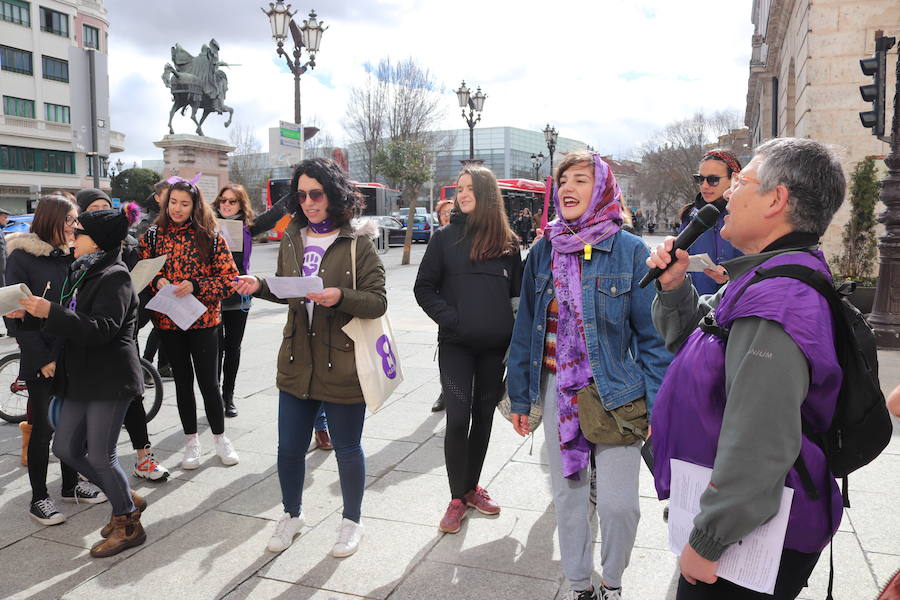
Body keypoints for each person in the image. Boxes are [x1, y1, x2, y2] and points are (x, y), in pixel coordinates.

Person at [648, 138, 847, 599]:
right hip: (738, 514)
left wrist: (710, 538)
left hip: (750, 537)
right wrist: (675, 288)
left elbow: (759, 440)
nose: (728, 193)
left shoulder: (779, 301)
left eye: (741, 182)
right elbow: (699, 343)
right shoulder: (767, 275)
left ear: (776, 200)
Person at [507, 152, 671, 600]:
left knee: (620, 507)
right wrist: (521, 399)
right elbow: (526, 331)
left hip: (616, 392)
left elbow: (653, 341)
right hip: (558, 391)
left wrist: (658, 407)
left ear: (601, 189)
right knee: (569, 498)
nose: (568, 187)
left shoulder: (631, 251)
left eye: (581, 179)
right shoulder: (543, 249)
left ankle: (612, 582)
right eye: (563, 181)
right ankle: (580, 587)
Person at [231, 157, 386, 557]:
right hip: (298, 358)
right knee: (288, 449)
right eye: (300, 196)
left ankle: (352, 521)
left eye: (315, 194)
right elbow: (288, 288)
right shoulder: (293, 237)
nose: (308, 202)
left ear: (333, 195)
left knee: (348, 448)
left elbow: (378, 301)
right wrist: (259, 285)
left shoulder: (359, 242)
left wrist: (340, 297)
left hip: (344, 360)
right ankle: (292, 514)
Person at [16, 207, 149, 557]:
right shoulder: (81, 271)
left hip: (109, 379)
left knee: (102, 457)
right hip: (79, 377)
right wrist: (32, 315)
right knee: (65, 449)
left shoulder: (115, 276)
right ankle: (123, 494)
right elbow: (65, 322)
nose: (73, 236)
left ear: (98, 241)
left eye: (80, 232)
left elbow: (101, 328)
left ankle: (128, 522)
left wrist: (51, 312)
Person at [414, 164, 523, 535]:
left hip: (495, 350)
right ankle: (456, 498)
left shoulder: (508, 242)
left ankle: (472, 487)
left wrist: (514, 342)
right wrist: (453, 319)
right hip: (456, 346)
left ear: (486, 193)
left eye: (468, 188)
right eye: (458, 188)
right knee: (458, 419)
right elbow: (423, 289)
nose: (461, 194)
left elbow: (516, 300)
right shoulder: (444, 238)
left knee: (484, 419)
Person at [5, 196, 107, 525]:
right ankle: (38, 498)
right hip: (40, 357)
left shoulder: (72, 255)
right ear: (52, 219)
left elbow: (74, 308)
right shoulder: (21, 257)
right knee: (43, 430)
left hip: (71, 351)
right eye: (69, 220)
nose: (74, 226)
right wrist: (43, 359)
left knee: (73, 425)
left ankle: (70, 485)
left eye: (76, 221)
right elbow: (15, 318)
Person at [138, 179, 240, 470]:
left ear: (195, 206)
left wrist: (195, 285)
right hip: (168, 320)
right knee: (182, 383)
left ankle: (220, 438)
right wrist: (157, 280)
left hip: (205, 320)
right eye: (173, 202)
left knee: (209, 382)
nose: (178, 209)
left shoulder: (210, 235)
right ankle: (191, 441)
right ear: (165, 202)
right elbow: (142, 272)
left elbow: (229, 281)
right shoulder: (153, 236)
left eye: (185, 203)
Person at [75, 188, 169, 481]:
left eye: (107, 208)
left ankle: (143, 458)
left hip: (124, 337)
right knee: (92, 403)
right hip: (88, 340)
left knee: (133, 397)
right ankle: (93, 463)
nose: (105, 214)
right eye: (95, 209)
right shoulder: (77, 256)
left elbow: (140, 287)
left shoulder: (130, 248)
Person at [212, 182, 293, 418]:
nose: (226, 205)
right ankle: (214, 397)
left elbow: (274, 214)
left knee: (233, 348)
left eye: (232, 201)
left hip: (239, 294)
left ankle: (228, 398)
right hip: (212, 296)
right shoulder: (206, 223)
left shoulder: (248, 226)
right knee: (215, 349)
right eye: (223, 200)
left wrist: (296, 190)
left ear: (240, 203)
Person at [676, 150, 744, 295]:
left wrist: (732, 272)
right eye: (700, 179)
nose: (704, 186)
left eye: (713, 180)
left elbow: (762, 262)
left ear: (734, 179)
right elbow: (678, 261)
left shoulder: (748, 214)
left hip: (739, 303)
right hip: (696, 305)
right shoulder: (690, 216)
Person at [135, 181, 172, 379]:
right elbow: (144, 258)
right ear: (158, 197)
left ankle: (163, 366)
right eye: (167, 196)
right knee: (158, 328)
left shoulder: (172, 220)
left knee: (165, 327)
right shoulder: (147, 223)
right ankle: (146, 367)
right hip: (150, 284)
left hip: (168, 283)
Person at [429, 198, 455, 414]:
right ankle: (444, 391)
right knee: (444, 350)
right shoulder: (438, 239)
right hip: (444, 305)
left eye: (450, 211)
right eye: (443, 213)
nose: (446, 215)